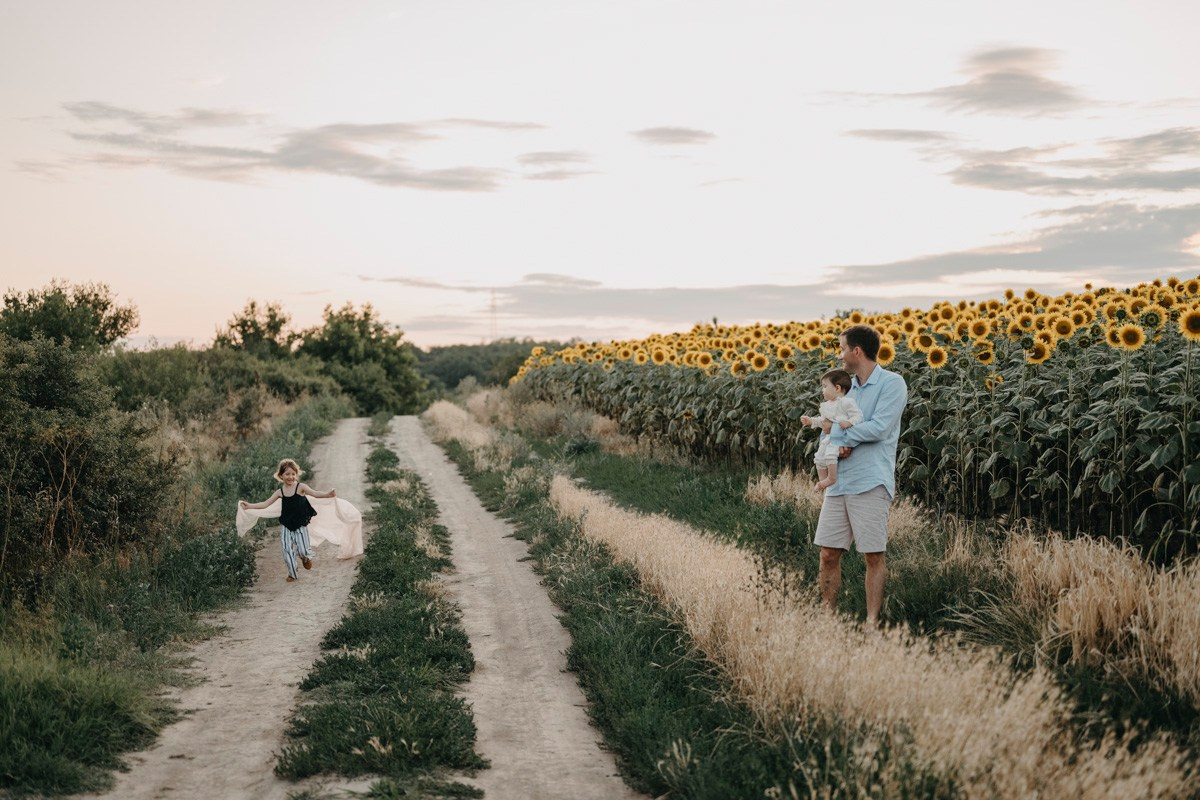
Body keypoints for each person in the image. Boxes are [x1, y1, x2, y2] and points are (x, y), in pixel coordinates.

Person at [814, 325, 907, 627]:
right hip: (839, 481)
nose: (839, 356)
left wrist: (841, 436)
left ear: (856, 351)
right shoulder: (844, 388)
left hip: (870, 480)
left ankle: (871, 623)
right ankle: (827, 619)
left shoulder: (892, 384)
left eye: (842, 349)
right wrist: (833, 445)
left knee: (872, 556)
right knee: (828, 553)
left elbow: (880, 428)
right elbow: (827, 426)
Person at [239, 458, 336, 582]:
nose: (290, 477)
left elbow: (315, 493)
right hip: (286, 525)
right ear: (281, 476)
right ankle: (292, 573)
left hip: (300, 524)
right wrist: (250, 506)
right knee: (287, 550)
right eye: (287, 474)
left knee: (303, 550)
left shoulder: (301, 487)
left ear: (296, 474)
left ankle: (305, 558)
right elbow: (265, 504)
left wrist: (328, 494)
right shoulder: (280, 492)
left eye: (293, 474)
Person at [800, 369, 863, 489]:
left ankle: (831, 479)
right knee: (819, 457)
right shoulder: (827, 405)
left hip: (839, 439)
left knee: (830, 456)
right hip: (829, 438)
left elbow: (858, 416)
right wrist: (811, 421)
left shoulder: (846, 403)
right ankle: (823, 481)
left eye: (824, 386)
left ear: (837, 388)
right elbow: (823, 421)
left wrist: (849, 422)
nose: (822, 390)